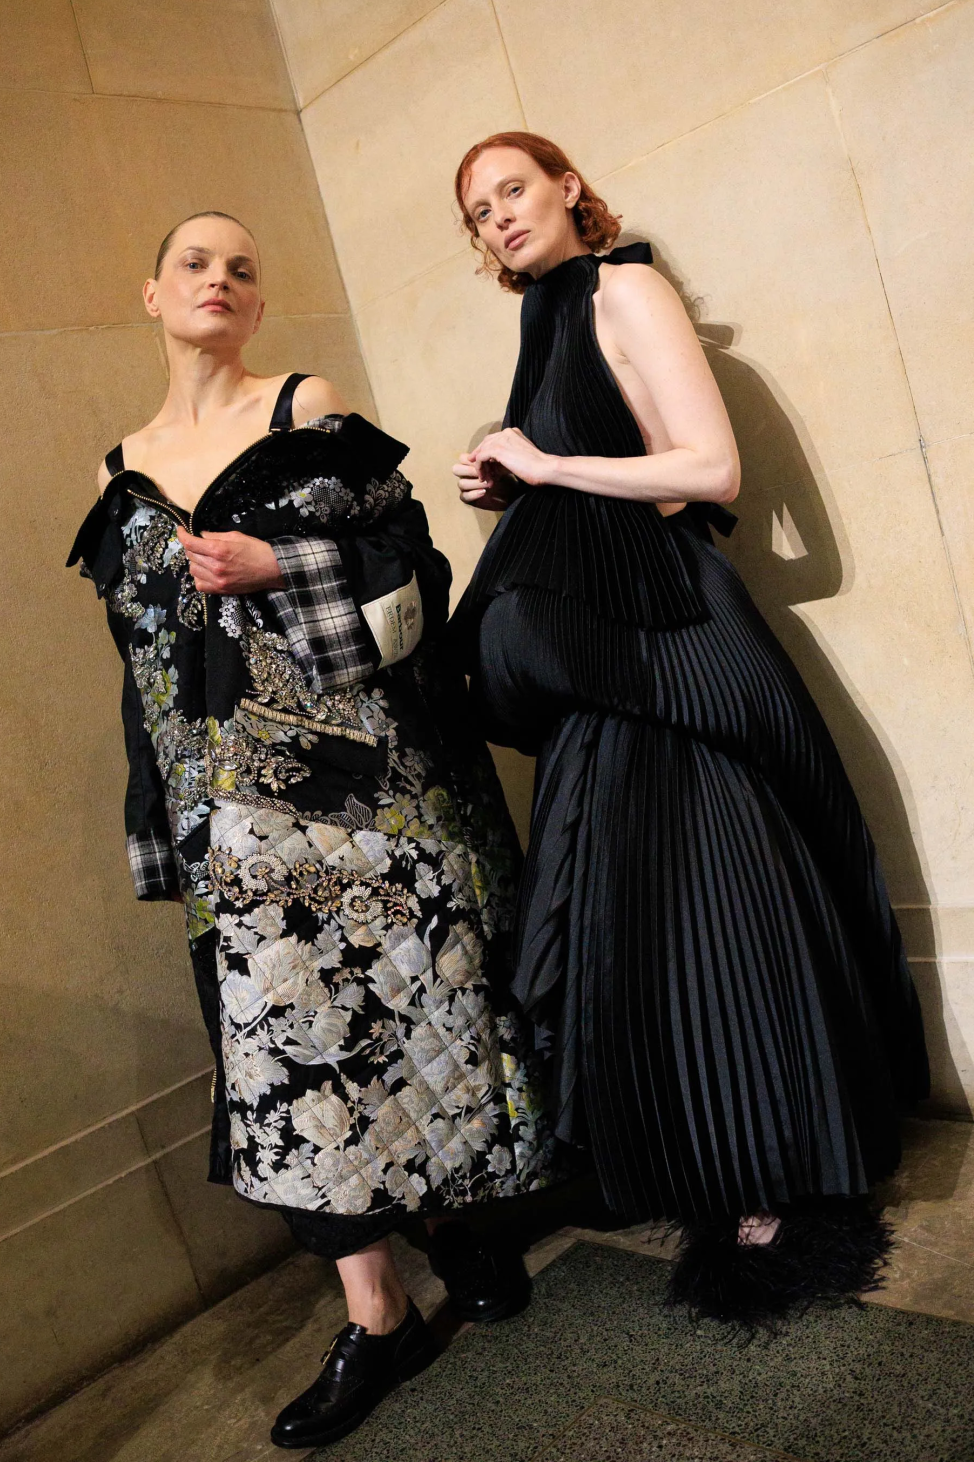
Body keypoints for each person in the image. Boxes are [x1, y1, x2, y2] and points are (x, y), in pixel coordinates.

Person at [68, 210, 558, 1448]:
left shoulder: (304, 407)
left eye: (241, 267)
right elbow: (144, 669)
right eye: (194, 262)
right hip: (225, 809)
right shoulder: (117, 469)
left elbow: (411, 562)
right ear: (152, 293)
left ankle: (452, 1224)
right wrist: (165, 816)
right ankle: (375, 1315)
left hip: (363, 785)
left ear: (256, 300)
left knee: (410, 1011)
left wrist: (278, 564)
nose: (220, 279)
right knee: (287, 1052)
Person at [450, 133, 929, 1327]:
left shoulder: (624, 285)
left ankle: (769, 1162)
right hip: (602, 653)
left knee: (711, 892)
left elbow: (706, 473)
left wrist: (544, 461)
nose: (497, 216)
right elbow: (624, 469)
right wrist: (518, 483)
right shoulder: (544, 320)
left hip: (664, 633)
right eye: (476, 211)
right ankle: (691, 1152)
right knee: (630, 904)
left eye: (512, 189)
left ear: (567, 186)